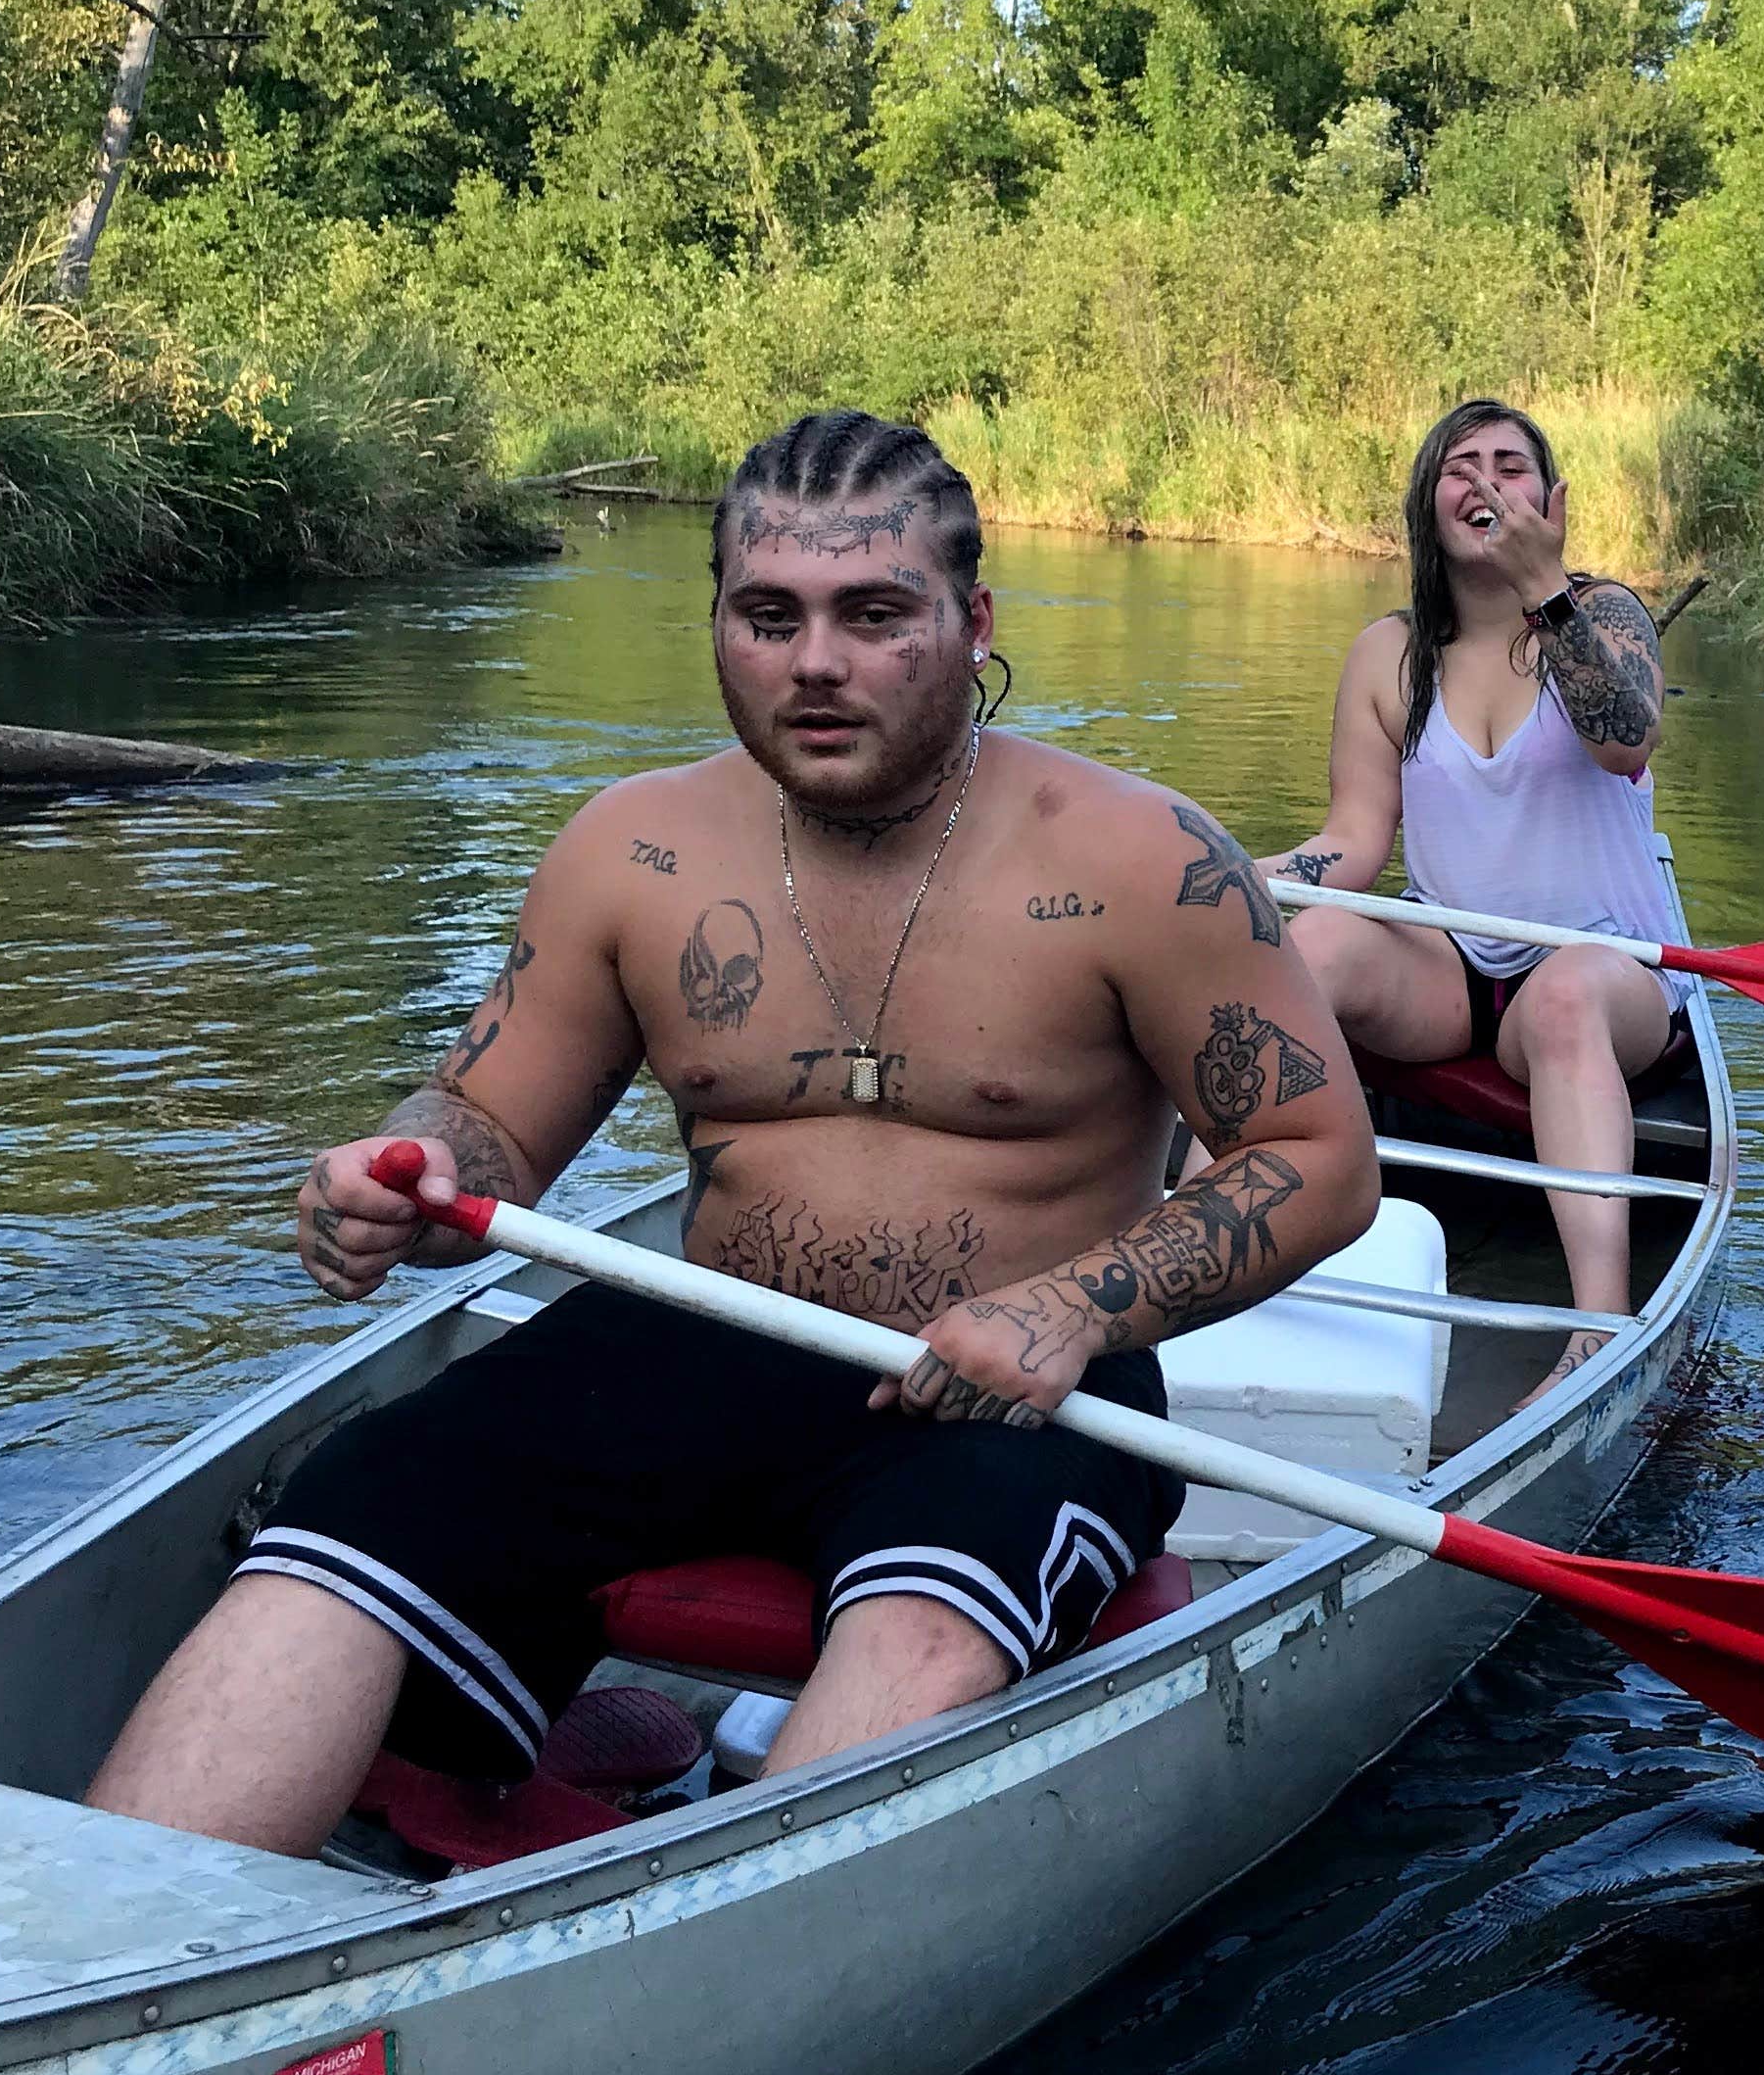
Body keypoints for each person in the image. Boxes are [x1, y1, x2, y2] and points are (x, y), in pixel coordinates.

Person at [90, 409, 1377, 1857]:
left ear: (972, 622)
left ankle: (714, 1953)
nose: (814, 662)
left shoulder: (1146, 860)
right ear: (718, 619)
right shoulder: (632, 850)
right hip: (706, 1340)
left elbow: (1318, 1161)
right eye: (769, 616)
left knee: (932, 1604)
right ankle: (93, 1973)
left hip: (1014, 1396)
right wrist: (408, 1171)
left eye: (873, 615)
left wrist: (1074, 1307)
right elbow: (486, 1121)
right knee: (355, 1494)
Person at [1255, 398, 1679, 1387]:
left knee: (1569, 994)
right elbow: (1353, 845)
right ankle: (1201, 1238)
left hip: (1608, 967)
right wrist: (1232, 881)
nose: (1484, 481)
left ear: (1548, 496)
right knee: (1309, 945)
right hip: (1454, 966)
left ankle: (1596, 1332)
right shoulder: (1390, 655)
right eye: (1460, 464)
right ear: (1428, 502)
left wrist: (1546, 589)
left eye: (1510, 464)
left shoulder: (1607, 616)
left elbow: (1627, 738)